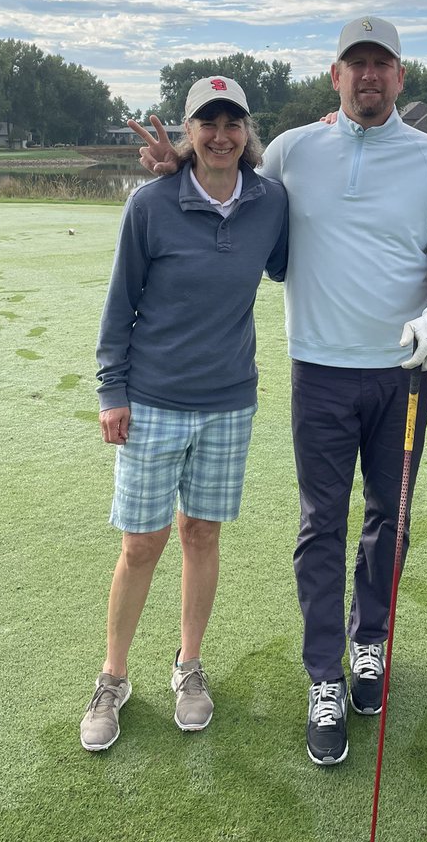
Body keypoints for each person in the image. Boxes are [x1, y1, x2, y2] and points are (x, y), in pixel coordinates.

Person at [129, 17, 427, 766]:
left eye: (382, 64)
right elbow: (227, 189)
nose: (370, 76)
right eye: (357, 64)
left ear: (400, 76)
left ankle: (370, 643)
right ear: (335, 76)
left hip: (405, 369)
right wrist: (171, 169)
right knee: (323, 524)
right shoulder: (291, 149)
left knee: (393, 516)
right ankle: (325, 675)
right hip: (318, 368)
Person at [79, 77, 288, 752]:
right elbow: (120, 304)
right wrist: (112, 391)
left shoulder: (269, 201)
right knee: (141, 543)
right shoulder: (150, 205)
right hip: (153, 402)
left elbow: (284, 265)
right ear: (190, 131)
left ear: (246, 131)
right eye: (208, 123)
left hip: (229, 402)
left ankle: (188, 665)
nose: (221, 135)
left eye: (233, 123)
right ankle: (114, 677)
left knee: (202, 535)